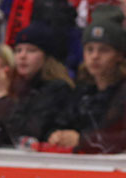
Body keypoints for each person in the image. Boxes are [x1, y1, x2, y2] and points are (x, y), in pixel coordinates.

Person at [47, 21, 126, 154]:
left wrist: (83, 140)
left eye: (104, 50)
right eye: (89, 49)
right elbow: (59, 122)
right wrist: (57, 135)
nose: (95, 56)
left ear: (120, 56)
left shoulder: (122, 92)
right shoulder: (82, 92)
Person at [3, 22, 74, 145]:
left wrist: (2, 97)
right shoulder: (15, 86)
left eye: (31, 50)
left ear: (46, 57)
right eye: (18, 50)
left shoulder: (57, 89)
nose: (22, 56)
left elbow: (30, 132)